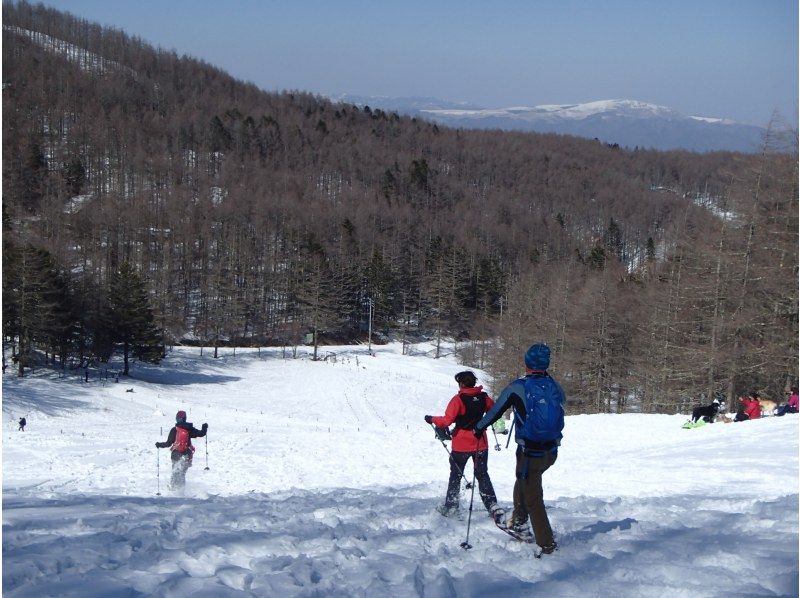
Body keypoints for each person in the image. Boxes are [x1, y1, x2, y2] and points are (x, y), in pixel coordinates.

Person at [474, 343, 565, 556]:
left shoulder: (519, 387)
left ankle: (547, 544)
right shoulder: (555, 386)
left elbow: (495, 412)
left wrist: (477, 428)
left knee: (534, 496)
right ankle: (519, 519)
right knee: (523, 479)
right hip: (551, 451)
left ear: (526, 363)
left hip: (530, 451)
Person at [424, 370, 504, 523]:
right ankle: (492, 506)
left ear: (461, 383)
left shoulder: (458, 399)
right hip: (480, 442)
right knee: (482, 475)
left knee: (456, 475)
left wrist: (431, 418)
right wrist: (482, 423)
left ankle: (451, 506)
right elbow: (495, 412)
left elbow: (446, 421)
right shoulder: (483, 397)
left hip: (461, 444)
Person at [155, 410, 208, 490]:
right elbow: (201, 433)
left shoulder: (174, 430)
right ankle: (181, 489)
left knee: (175, 471)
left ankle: (173, 488)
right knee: (182, 473)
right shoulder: (189, 429)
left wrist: (159, 444)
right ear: (185, 418)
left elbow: (168, 443)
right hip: (187, 454)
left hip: (175, 454)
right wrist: (204, 427)